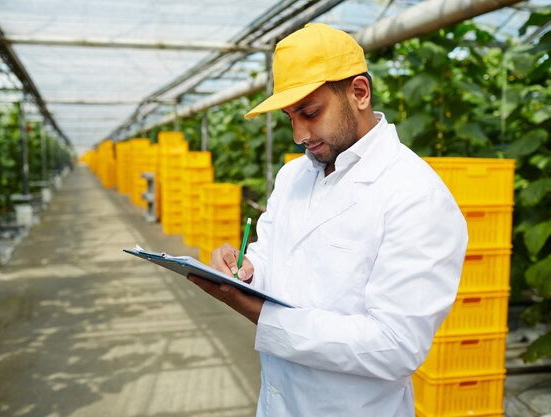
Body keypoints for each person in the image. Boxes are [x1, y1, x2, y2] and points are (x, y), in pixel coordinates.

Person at [187, 23, 468, 417]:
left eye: (311, 112)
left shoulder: (415, 195)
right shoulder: (293, 176)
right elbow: (270, 254)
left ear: (359, 92)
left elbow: (395, 345)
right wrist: (247, 271)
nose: (300, 134)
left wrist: (258, 314)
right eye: (290, 117)